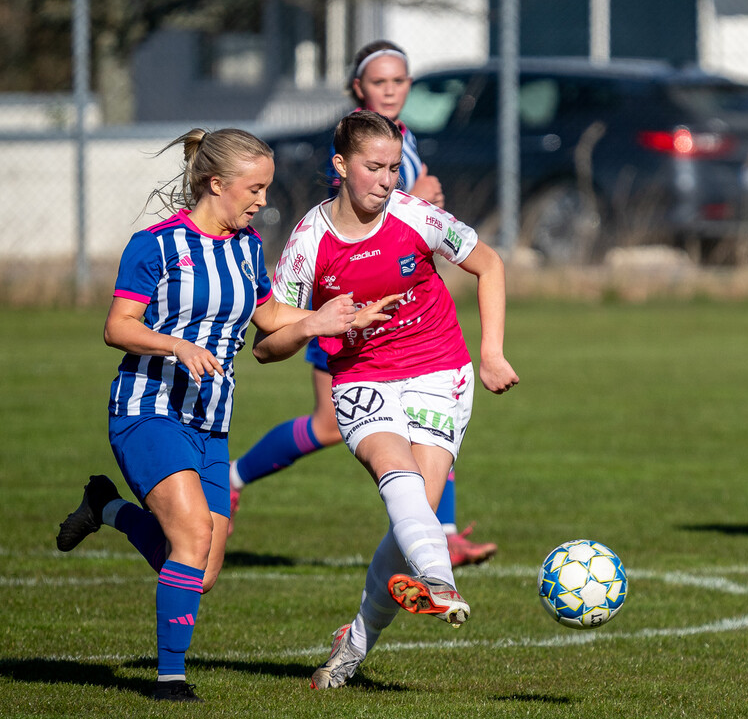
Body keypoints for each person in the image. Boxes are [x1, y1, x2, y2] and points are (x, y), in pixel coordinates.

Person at [53, 128, 385, 702]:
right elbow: (118, 327)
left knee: (200, 572)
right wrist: (175, 345)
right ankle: (170, 682)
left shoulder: (247, 246)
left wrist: (333, 318)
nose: (262, 201)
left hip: (211, 421)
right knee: (190, 538)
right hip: (148, 409)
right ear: (215, 183)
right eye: (254, 189)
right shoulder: (156, 245)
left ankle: (105, 506)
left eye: (266, 189)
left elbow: (269, 316)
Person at [252, 109, 518, 689]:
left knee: (413, 513)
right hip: (362, 377)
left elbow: (489, 263)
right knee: (396, 474)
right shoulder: (310, 241)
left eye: (395, 168)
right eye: (374, 167)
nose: (386, 180)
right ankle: (440, 580)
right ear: (341, 165)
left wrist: (492, 352)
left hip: (440, 369)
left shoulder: (415, 215)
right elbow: (266, 342)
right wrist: (317, 323)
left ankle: (354, 644)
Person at [227, 40, 498, 567]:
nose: (391, 91)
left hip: (404, 319)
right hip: (343, 307)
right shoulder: (353, 148)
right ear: (359, 88)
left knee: (430, 414)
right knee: (332, 424)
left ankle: (439, 532)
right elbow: (355, 215)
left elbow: (411, 212)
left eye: (400, 81)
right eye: (380, 82)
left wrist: (424, 202)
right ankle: (234, 478)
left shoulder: (402, 139)